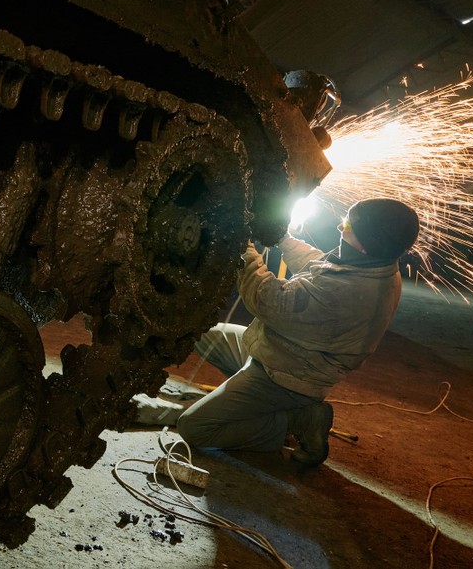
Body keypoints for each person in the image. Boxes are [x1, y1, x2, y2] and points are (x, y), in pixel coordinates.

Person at [177, 198, 420, 465]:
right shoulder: (377, 264)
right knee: (203, 333)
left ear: (366, 245)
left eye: (348, 225)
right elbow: (318, 264)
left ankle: (297, 420)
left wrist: (242, 247)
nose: (341, 228)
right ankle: (251, 404)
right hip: (279, 352)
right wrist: (281, 237)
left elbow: (265, 298)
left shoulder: (344, 292)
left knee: (194, 428)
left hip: (286, 377)